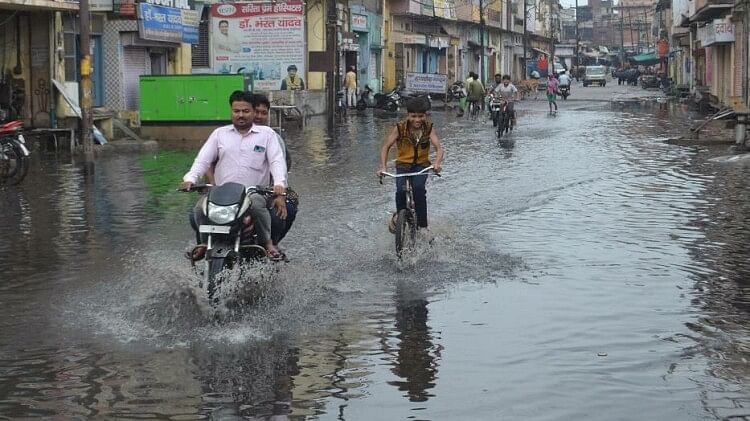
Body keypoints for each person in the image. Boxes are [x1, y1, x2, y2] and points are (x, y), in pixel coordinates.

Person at [180, 91, 288, 261]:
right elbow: (203, 159)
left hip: (253, 193)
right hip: (221, 194)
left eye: (245, 111)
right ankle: (203, 244)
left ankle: (267, 243)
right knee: (198, 210)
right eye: (236, 111)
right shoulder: (219, 134)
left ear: (253, 112)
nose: (240, 115)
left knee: (258, 207)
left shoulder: (267, 135)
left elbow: (276, 161)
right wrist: (190, 179)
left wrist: (279, 184)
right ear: (231, 111)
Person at [377, 96, 444, 238]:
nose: (417, 120)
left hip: (421, 166)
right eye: (413, 116)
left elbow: (438, 147)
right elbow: (385, 147)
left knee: (419, 190)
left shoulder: (429, 128)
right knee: (400, 191)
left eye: (421, 116)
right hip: (402, 166)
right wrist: (383, 167)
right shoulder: (399, 128)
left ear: (425, 116)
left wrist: (437, 163)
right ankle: (399, 216)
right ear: (408, 115)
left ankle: (423, 226)